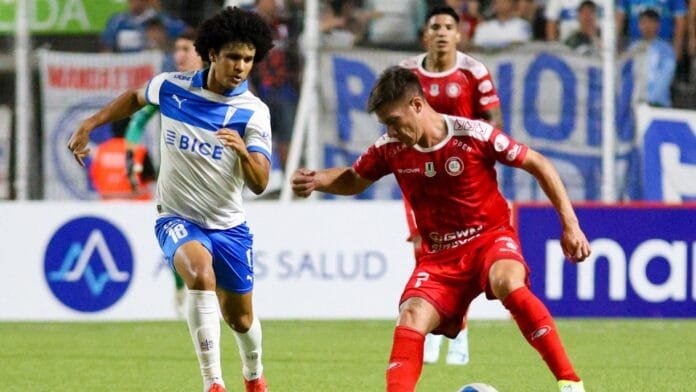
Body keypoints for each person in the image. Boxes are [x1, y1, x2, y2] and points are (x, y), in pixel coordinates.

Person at [291, 66, 591, 392]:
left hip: (489, 238)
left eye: (394, 121)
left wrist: (570, 225)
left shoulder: (473, 134)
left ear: (417, 105)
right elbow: (353, 178)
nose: (391, 131)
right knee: (410, 314)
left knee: (507, 280)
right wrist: (317, 180)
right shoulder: (389, 147)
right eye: (386, 125)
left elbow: (538, 163)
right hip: (439, 259)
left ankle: (570, 383)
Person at [69, 7, 274, 392]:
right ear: (212, 53)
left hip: (229, 226)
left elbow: (261, 182)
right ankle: (213, 383)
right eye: (233, 56)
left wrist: (243, 153)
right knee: (198, 274)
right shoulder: (173, 86)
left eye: (248, 59)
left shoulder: (253, 113)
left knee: (241, 320)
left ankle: (253, 374)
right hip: (176, 216)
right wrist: (90, 123)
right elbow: (134, 97)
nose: (241, 66)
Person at [399, 5, 503, 366]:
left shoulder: (474, 72)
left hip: (461, 182)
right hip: (419, 179)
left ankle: (460, 334)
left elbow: (492, 125)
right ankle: (431, 330)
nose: (442, 32)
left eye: (448, 26)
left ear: (459, 34)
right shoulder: (408, 74)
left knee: (465, 257)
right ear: (425, 34)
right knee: (423, 250)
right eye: (435, 26)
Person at [124, 29, 205, 318]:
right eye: (177, 48)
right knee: (177, 239)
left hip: (216, 182)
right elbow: (138, 120)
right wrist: (132, 153)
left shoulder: (223, 87)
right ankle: (182, 288)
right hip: (173, 184)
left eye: (186, 48)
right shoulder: (168, 88)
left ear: (203, 52)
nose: (178, 55)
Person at [628, 9, 677, 107]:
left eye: (650, 22)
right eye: (643, 23)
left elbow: (665, 76)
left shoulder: (666, 50)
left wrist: (649, 99)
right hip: (634, 102)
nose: (647, 26)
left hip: (657, 103)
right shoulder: (633, 48)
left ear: (657, 25)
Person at [101, 0, 188, 53]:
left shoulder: (161, 19)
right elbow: (106, 46)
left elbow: (186, 33)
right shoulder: (117, 20)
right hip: (124, 66)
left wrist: (167, 45)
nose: (132, 2)